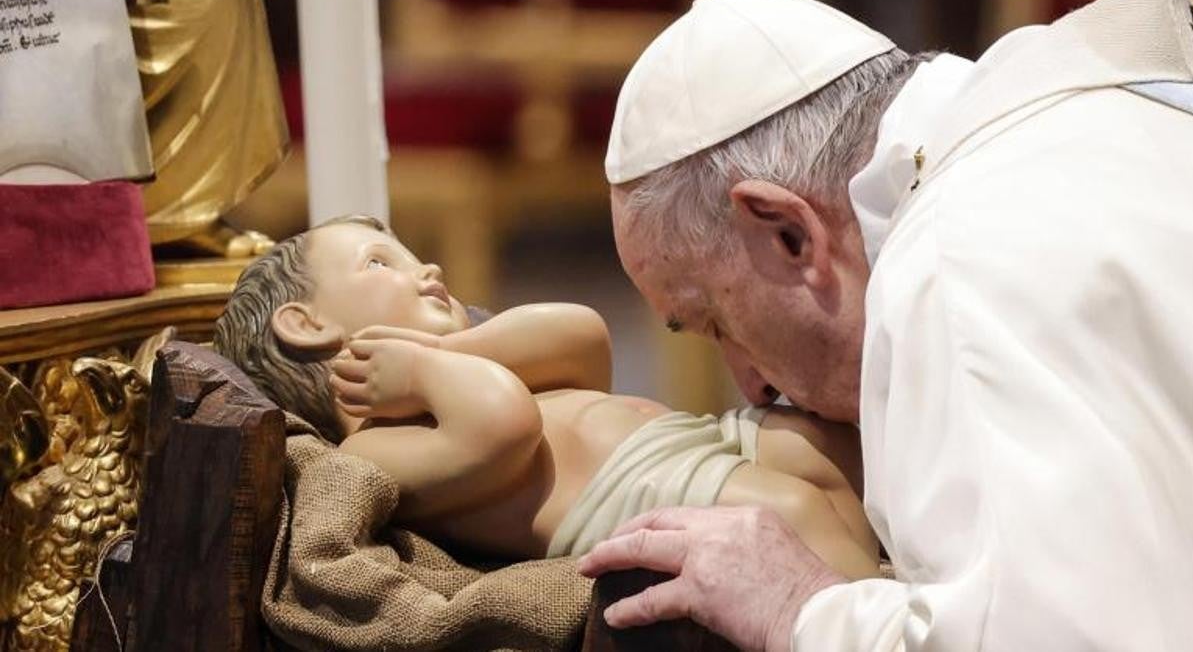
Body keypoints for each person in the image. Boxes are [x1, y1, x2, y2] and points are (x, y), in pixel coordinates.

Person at [579, 0, 1193, 652]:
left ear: (788, 231)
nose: (752, 385)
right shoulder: (1126, 120)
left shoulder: (955, 263)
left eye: (716, 322)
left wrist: (801, 610)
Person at [213, 215, 880, 577]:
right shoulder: (374, 451)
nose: (428, 268)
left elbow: (582, 335)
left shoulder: (463, 361)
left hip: (708, 441)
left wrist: (445, 352)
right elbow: (503, 427)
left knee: (827, 441)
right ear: (306, 324)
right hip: (660, 495)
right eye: (381, 263)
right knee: (796, 518)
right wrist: (422, 375)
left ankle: (903, 583)